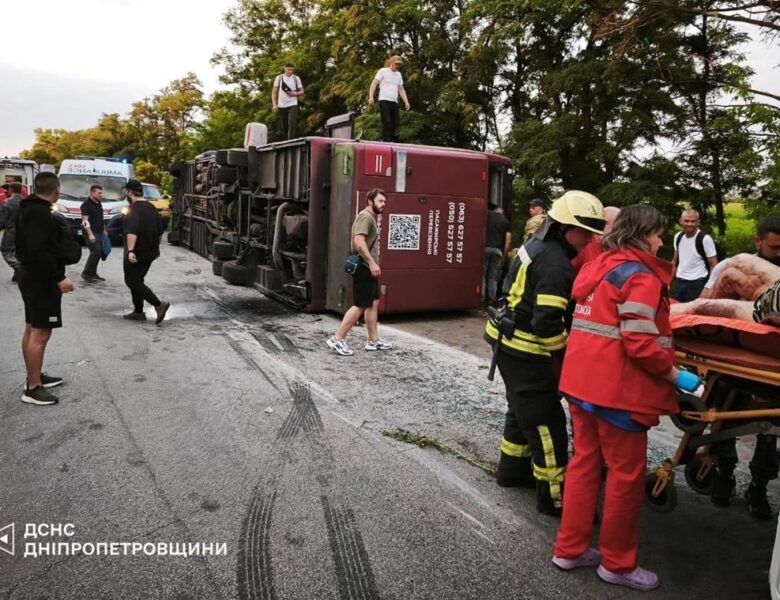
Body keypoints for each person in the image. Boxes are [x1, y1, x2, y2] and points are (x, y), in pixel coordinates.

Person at [552, 205, 702, 592]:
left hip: (581, 385)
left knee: (584, 465)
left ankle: (569, 550)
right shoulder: (640, 276)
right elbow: (640, 342)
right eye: (657, 235)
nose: (661, 242)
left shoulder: (596, 267)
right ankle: (617, 565)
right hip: (617, 393)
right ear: (640, 235)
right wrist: (677, 376)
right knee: (625, 477)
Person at [485, 190, 606, 516]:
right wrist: (564, 357)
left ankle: (512, 471)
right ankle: (555, 498)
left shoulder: (538, 244)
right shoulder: (556, 264)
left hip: (508, 342)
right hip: (526, 350)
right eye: (584, 231)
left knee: (522, 410)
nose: (589, 239)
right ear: (564, 226)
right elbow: (547, 322)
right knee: (547, 423)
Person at [680, 215, 780, 518]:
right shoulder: (732, 268)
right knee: (725, 415)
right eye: (774, 248)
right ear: (758, 241)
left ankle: (758, 486)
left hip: (769, 366)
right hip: (732, 358)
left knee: (769, 427)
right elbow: (704, 306)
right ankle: (724, 472)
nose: (779, 253)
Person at [14, 172, 76, 406]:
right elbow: (39, 251)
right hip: (41, 280)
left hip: (30, 276)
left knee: (32, 328)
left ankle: (35, 375)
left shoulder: (27, 209)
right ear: (56, 190)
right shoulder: (40, 214)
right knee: (41, 333)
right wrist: (59, 277)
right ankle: (32, 388)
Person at [327, 188, 393, 356]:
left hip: (368, 268)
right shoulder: (365, 217)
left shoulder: (370, 217)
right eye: (380, 201)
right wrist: (371, 263)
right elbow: (359, 242)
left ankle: (373, 341)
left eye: (384, 201)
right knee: (361, 305)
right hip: (364, 267)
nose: (383, 204)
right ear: (370, 201)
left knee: (373, 302)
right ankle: (337, 339)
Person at [122, 179, 170, 324]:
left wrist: (130, 251)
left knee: (132, 281)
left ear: (130, 192)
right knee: (137, 280)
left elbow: (132, 231)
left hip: (137, 252)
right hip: (151, 252)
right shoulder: (152, 207)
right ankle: (138, 312)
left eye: (127, 192)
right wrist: (155, 246)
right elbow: (160, 232)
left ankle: (158, 305)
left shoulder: (133, 209)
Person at [671, 209, 718, 302]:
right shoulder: (678, 237)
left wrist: (709, 288)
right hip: (679, 282)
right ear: (680, 221)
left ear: (698, 222)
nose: (689, 224)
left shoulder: (705, 239)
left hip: (697, 283)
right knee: (678, 308)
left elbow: (713, 265)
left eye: (693, 221)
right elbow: (675, 261)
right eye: (686, 221)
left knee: (693, 311)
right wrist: (668, 283)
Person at [368, 55, 410, 143]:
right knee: (387, 121)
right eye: (396, 64)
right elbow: (374, 83)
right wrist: (371, 97)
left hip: (394, 101)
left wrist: (406, 101)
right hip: (384, 100)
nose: (398, 66)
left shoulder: (398, 75)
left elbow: (401, 89)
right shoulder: (383, 71)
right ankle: (385, 139)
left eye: (399, 64)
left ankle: (394, 141)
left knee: (396, 123)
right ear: (391, 62)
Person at [571, 206, 621, 274]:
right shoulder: (588, 244)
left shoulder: (625, 248)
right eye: (617, 226)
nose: (622, 230)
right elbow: (570, 268)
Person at [484, 205, 511, 306]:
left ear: (495, 211)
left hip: (485, 249)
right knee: (493, 277)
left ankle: (480, 299)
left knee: (482, 275)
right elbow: (508, 242)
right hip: (497, 252)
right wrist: (504, 257)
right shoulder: (505, 222)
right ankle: (491, 300)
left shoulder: (488, 215)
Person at [80, 184, 106, 282]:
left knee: (98, 252)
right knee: (95, 251)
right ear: (92, 193)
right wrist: (90, 234)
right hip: (90, 231)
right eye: (99, 193)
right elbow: (85, 221)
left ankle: (93, 273)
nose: (101, 195)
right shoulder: (86, 205)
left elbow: (100, 217)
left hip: (99, 230)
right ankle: (86, 273)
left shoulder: (98, 203)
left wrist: (104, 230)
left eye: (101, 193)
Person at [272, 63, 304, 140]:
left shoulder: (296, 78)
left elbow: (302, 91)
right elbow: (274, 93)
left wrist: (295, 94)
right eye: (289, 69)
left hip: (293, 103)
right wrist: (274, 105)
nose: (291, 71)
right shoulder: (279, 78)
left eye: (292, 70)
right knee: (285, 125)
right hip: (282, 105)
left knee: (292, 123)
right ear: (285, 69)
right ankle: (286, 141)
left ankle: (290, 140)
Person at [0, 181, 24, 281]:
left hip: (11, 231)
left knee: (6, 251)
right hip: (24, 231)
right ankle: (17, 274)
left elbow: (2, 220)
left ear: (10, 190)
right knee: (19, 251)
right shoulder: (26, 202)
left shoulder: (7, 203)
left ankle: (18, 268)